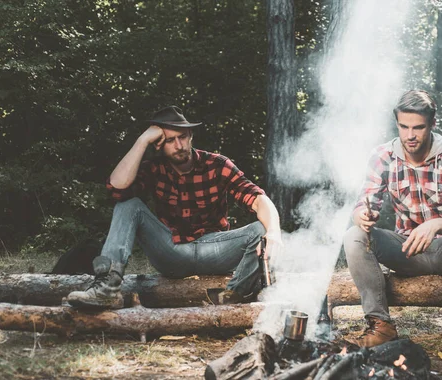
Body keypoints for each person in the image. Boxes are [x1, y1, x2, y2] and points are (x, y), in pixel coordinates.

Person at [67, 106, 282, 308]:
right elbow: (116, 189)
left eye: (182, 137)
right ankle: (107, 289)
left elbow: (257, 198)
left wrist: (274, 233)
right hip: (171, 251)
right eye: (170, 140)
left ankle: (231, 299)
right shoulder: (154, 168)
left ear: (190, 136)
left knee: (260, 229)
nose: (179, 145)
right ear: (159, 145)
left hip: (215, 250)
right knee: (129, 204)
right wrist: (143, 140)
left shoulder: (217, 165)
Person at [343, 90, 442, 375]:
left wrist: (435, 225)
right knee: (353, 235)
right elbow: (362, 202)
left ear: (432, 124)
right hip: (404, 249)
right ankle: (380, 326)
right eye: (404, 127)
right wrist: (364, 215)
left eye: (418, 127)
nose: (410, 135)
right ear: (397, 124)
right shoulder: (382, 156)